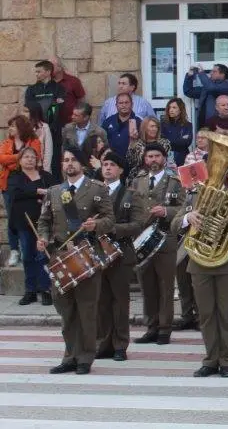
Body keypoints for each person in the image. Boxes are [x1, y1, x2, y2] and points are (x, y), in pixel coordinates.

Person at [37, 147, 113, 375]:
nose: (69, 164)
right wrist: (43, 238)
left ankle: (85, 358)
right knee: (66, 310)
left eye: (73, 160)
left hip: (86, 254)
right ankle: (70, 355)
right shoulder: (54, 191)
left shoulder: (97, 189)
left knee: (86, 310)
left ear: (82, 164)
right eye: (65, 160)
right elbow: (44, 221)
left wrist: (95, 225)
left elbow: (110, 219)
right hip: (61, 256)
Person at [173, 165, 228, 379]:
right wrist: (188, 218)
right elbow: (174, 224)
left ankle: (227, 361)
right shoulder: (193, 196)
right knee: (206, 315)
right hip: (200, 263)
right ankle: (210, 360)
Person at [95, 150, 147, 361]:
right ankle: (103, 343)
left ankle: (120, 345)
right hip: (98, 252)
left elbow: (139, 224)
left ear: (121, 170)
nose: (107, 168)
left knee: (120, 301)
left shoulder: (130, 194)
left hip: (121, 252)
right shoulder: (95, 192)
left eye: (112, 165)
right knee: (101, 301)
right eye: (105, 164)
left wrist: (114, 229)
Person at [130, 143, 185, 346]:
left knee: (165, 286)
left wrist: (167, 212)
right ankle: (151, 327)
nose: (153, 160)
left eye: (157, 156)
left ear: (164, 158)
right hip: (142, 237)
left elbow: (185, 207)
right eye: (149, 156)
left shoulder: (175, 181)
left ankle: (164, 328)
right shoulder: (138, 181)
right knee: (147, 285)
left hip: (165, 237)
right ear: (145, 159)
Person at [7, 146, 55, 304]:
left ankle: (45, 289)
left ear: (37, 160)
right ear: (20, 160)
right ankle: (31, 291)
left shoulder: (45, 176)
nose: (30, 159)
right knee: (27, 256)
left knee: (42, 256)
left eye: (33, 157)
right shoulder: (15, 177)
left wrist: (41, 195)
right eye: (26, 157)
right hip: (24, 222)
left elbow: (54, 191)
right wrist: (37, 192)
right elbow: (16, 193)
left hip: (44, 223)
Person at [2, 115, 42, 268]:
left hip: (29, 181)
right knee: (12, 217)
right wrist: (20, 156)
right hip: (10, 183)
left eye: (13, 126)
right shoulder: (7, 142)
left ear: (21, 128)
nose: (10, 129)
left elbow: (34, 158)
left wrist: (14, 160)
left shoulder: (34, 141)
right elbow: (2, 159)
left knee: (29, 217)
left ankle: (28, 250)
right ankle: (14, 250)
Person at [183, 63, 228, 129]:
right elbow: (188, 91)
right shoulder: (207, 87)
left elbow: (211, 87)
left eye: (214, 71)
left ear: (222, 74)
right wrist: (189, 76)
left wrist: (201, 73)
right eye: (211, 71)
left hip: (219, 127)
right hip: (203, 125)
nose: (211, 73)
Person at [161, 97, 193, 167]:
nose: (171, 110)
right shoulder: (163, 124)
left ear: (180, 110)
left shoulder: (188, 125)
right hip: (167, 159)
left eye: (174, 107)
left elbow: (187, 142)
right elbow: (163, 142)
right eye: (169, 107)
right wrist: (180, 139)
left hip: (183, 159)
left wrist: (169, 140)